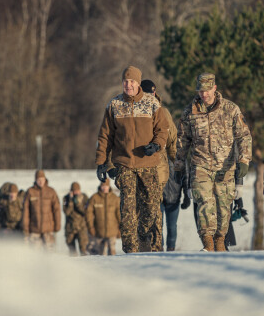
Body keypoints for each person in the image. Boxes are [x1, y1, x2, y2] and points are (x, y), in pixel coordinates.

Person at [95, 66, 168, 253]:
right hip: (124, 164)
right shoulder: (114, 105)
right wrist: (102, 162)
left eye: (132, 82)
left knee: (151, 206)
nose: (128, 85)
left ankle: (143, 234)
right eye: (125, 82)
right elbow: (105, 136)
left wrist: (156, 145)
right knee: (128, 209)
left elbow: (162, 130)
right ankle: (130, 250)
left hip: (148, 163)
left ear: (138, 83)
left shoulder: (152, 104)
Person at [176, 73, 252, 252]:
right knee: (204, 203)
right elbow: (182, 140)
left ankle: (220, 240)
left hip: (225, 166)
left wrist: (244, 159)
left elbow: (243, 136)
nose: (204, 94)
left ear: (215, 88)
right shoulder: (190, 111)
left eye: (207, 90)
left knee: (224, 206)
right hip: (200, 165)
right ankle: (208, 242)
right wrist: (179, 165)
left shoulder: (230, 109)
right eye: (201, 91)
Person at [140, 79, 186, 252]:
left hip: (161, 171)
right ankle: (148, 248)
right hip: (141, 170)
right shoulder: (135, 111)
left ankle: (159, 250)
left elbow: (173, 140)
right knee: (147, 215)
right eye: (146, 93)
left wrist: (179, 165)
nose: (150, 96)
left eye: (152, 93)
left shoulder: (163, 112)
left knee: (160, 217)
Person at [22, 170, 61, 250]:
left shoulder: (51, 191)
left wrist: (57, 225)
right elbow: (26, 211)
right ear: (35, 180)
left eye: (42, 179)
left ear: (45, 179)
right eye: (38, 180)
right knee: (35, 256)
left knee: (50, 254)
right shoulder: (30, 192)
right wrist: (25, 227)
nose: (41, 182)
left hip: (48, 229)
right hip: (34, 229)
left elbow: (56, 209)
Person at [86, 178, 121, 255]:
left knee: (112, 253)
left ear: (109, 186)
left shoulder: (115, 199)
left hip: (112, 231)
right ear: (100, 186)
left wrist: (120, 229)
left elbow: (119, 215)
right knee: (100, 255)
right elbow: (89, 214)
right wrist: (90, 227)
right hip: (98, 232)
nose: (104, 188)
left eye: (106, 186)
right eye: (103, 186)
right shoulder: (94, 198)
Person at [63, 182, 89, 256]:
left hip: (82, 227)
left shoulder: (84, 197)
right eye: (74, 191)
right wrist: (71, 201)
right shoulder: (66, 198)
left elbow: (85, 212)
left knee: (83, 250)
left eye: (77, 190)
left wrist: (78, 203)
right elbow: (67, 212)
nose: (75, 192)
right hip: (70, 228)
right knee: (72, 252)